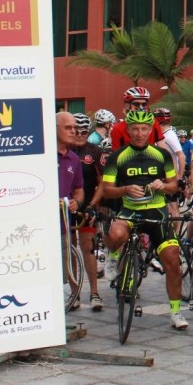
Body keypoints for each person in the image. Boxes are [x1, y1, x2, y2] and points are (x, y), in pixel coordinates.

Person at [102, 109, 188, 330]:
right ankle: (113, 255)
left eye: (144, 129)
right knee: (115, 234)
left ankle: (176, 311)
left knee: (172, 261)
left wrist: (163, 185)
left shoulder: (162, 155)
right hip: (130, 211)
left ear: (151, 130)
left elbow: (173, 185)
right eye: (135, 129)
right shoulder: (118, 156)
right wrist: (125, 189)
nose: (140, 133)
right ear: (128, 130)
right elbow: (107, 190)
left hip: (156, 212)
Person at [72, 113, 106, 311]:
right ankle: (75, 292)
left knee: (88, 248)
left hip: (87, 207)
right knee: (70, 250)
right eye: (75, 131)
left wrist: (93, 204)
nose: (79, 135)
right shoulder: (61, 151)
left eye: (84, 132)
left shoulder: (94, 151)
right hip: (66, 206)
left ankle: (94, 292)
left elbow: (102, 183)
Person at [56, 112, 85, 310]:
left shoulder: (74, 159)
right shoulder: (41, 154)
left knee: (65, 262)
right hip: (41, 224)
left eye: (75, 127)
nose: (73, 131)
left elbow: (79, 191)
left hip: (64, 224)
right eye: (68, 127)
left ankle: (71, 296)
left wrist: (76, 202)